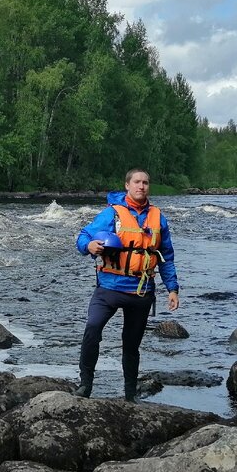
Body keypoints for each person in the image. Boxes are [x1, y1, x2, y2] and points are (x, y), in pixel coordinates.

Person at [75, 168, 180, 401]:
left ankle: (130, 395)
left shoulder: (158, 218)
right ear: (127, 185)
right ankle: (85, 385)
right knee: (92, 329)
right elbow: (83, 236)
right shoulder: (112, 214)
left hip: (141, 291)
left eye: (145, 182)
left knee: (131, 346)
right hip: (109, 288)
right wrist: (89, 246)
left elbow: (167, 257)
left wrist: (172, 289)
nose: (141, 186)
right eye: (137, 182)